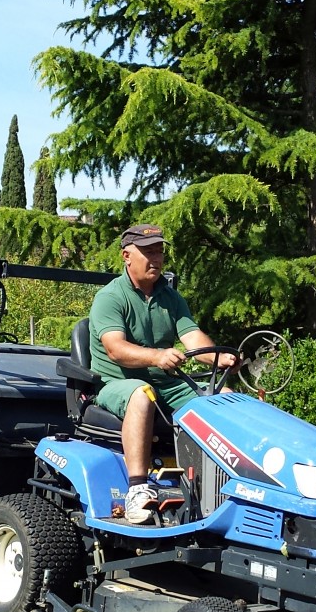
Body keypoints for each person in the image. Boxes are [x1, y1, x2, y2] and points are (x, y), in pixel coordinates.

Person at [89, 224, 235, 523]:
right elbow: (116, 349)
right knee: (142, 395)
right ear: (127, 256)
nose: (156, 258)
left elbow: (194, 340)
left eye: (159, 251)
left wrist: (221, 357)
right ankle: (137, 489)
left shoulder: (171, 298)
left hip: (168, 384)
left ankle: (226, 484)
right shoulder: (110, 298)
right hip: (116, 382)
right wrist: (157, 356)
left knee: (226, 400)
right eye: (148, 252)